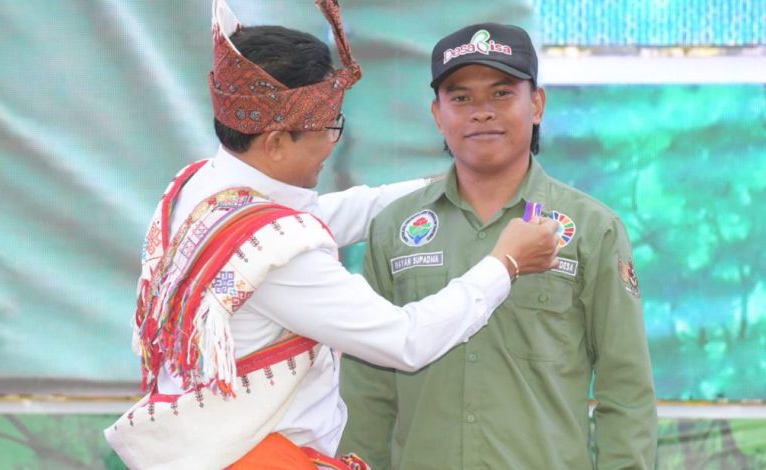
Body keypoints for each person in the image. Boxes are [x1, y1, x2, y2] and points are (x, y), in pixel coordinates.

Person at [104, 4, 561, 469]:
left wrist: (452, 184)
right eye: (328, 128)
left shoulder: (201, 188)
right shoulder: (284, 262)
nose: (332, 142)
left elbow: (313, 218)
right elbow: (406, 340)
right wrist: (505, 263)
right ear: (277, 141)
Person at [339, 23, 658, 469]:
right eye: (461, 97)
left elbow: (625, 389)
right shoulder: (395, 228)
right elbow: (366, 390)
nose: (481, 112)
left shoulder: (592, 228)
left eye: (502, 94)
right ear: (437, 113)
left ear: (537, 105)